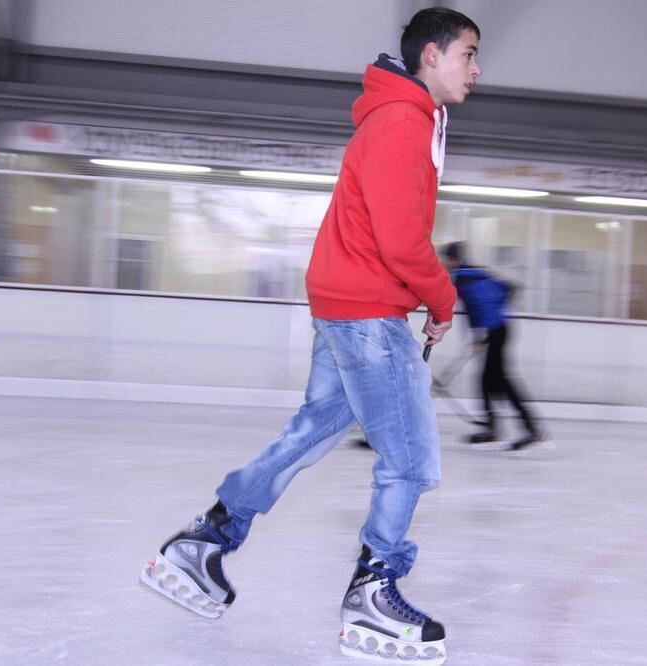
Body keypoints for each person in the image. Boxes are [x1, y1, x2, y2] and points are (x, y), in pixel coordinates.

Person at [140, 7, 481, 664]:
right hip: (366, 310)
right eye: (467, 52)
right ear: (431, 56)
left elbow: (389, 233)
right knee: (409, 459)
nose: (476, 67)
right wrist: (441, 300)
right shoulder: (402, 120)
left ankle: (203, 543)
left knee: (314, 429)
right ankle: (374, 592)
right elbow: (399, 238)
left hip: (346, 301)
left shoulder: (404, 118)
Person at [441, 241, 545, 450]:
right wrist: (493, 317)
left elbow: (473, 309)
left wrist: (481, 331)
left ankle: (530, 429)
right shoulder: (477, 273)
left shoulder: (464, 278)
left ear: (453, 260)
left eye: (446, 259)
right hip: (499, 327)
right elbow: (510, 288)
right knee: (488, 379)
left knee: (501, 380)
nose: (444, 263)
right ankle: (494, 427)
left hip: (496, 330)